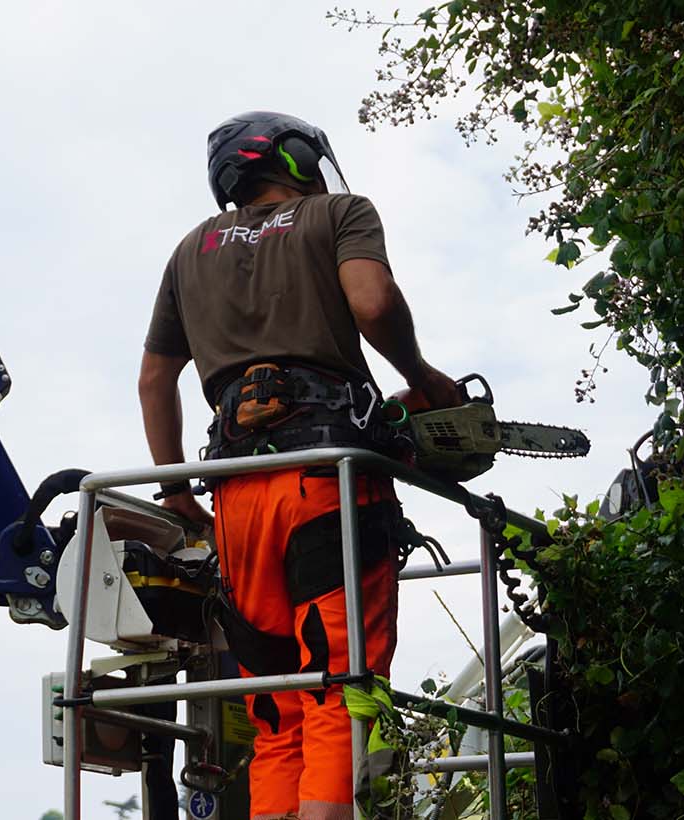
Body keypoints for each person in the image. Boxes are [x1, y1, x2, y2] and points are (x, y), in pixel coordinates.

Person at [137, 111, 460, 820]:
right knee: (340, 687)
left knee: (276, 707)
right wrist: (421, 376)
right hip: (325, 483)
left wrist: (176, 491)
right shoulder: (340, 213)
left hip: (235, 499)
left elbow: (154, 380)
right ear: (291, 157)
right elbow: (372, 302)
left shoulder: (191, 249)